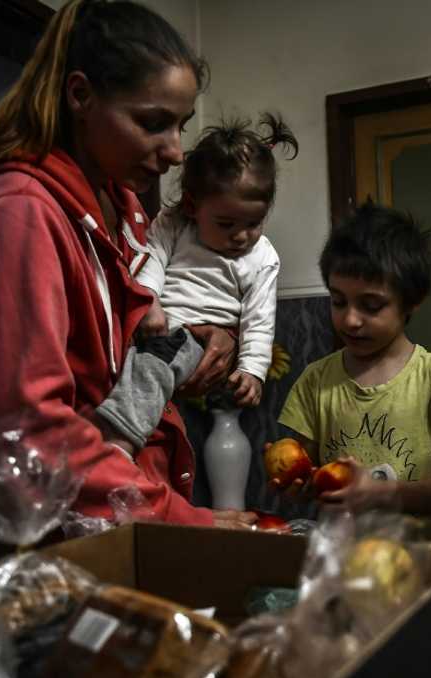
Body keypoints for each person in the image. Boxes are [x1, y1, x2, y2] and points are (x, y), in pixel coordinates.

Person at [0, 0, 254, 529]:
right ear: (80, 96)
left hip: (136, 504)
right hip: (85, 521)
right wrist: (188, 523)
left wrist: (191, 347)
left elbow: (116, 361)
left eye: (181, 126)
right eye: (153, 123)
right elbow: (39, 432)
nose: (176, 152)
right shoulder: (23, 210)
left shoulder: (124, 208)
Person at [96, 115, 297, 456]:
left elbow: (259, 319)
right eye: (226, 224)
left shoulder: (263, 257)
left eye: (254, 223)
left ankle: (119, 439)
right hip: (156, 326)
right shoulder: (175, 223)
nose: (241, 236)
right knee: (138, 364)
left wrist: (252, 370)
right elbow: (152, 257)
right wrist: (149, 300)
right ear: (192, 206)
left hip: (195, 342)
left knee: (155, 363)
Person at [275, 202, 431, 537]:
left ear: (413, 300)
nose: (350, 320)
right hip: (342, 556)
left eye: (371, 306)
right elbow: (306, 472)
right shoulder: (316, 381)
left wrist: (381, 494)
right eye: (338, 301)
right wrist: (296, 482)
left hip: (420, 559)